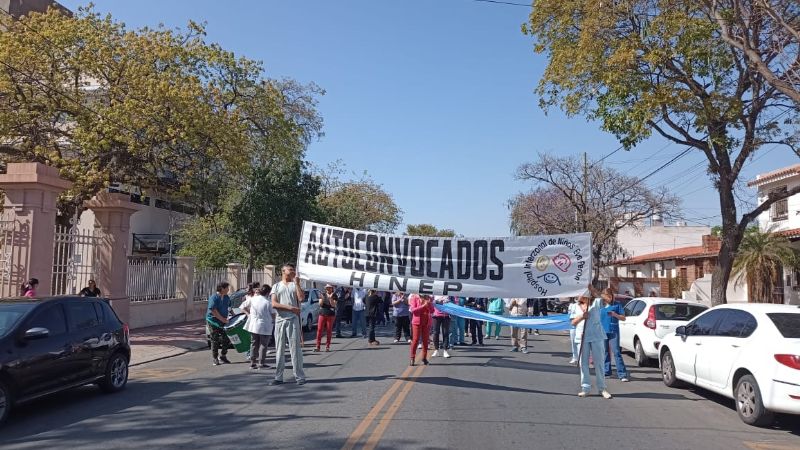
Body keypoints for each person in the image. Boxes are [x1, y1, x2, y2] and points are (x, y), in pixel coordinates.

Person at [270, 263, 306, 386]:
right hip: (280, 320)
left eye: (293, 270)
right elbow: (274, 304)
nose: (292, 271)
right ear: (283, 271)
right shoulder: (276, 286)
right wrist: (290, 308)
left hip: (293, 320)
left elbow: (301, 298)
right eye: (289, 269)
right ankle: (278, 377)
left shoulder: (295, 285)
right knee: (279, 349)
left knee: (295, 349)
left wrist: (297, 283)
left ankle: (299, 377)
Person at [572, 286, 612, 399]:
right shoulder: (575, 306)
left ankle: (602, 388)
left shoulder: (596, 303)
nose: (580, 295)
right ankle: (585, 388)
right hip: (582, 337)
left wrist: (593, 289)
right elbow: (573, 322)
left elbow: (607, 299)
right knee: (583, 364)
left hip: (596, 336)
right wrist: (582, 316)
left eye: (582, 293)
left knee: (599, 363)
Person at [241, 284, 274, 370]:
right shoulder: (268, 302)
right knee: (263, 345)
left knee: (254, 344)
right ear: (268, 292)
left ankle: (252, 363)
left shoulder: (253, 299)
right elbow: (273, 314)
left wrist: (248, 314)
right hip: (264, 326)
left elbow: (242, 307)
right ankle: (261, 364)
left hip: (253, 325)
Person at [601, 288, 630, 382]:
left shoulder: (617, 304)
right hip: (602, 331)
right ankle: (607, 371)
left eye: (610, 296)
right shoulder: (600, 305)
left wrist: (615, 315)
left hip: (613, 331)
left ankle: (622, 374)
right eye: (607, 296)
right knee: (605, 352)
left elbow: (623, 318)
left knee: (616, 352)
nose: (609, 298)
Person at [207, 282, 232, 366]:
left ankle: (223, 355)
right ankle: (215, 358)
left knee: (226, 338)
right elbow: (213, 310)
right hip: (213, 321)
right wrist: (223, 319)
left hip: (223, 321)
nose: (228, 289)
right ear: (222, 288)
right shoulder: (214, 298)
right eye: (227, 288)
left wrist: (233, 316)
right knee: (215, 339)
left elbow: (229, 307)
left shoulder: (226, 297)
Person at [409, 293, 433, 366]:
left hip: (426, 322)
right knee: (415, 340)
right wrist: (423, 306)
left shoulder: (428, 298)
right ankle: (412, 358)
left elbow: (432, 310)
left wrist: (429, 304)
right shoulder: (414, 298)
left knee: (425, 341)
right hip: (417, 322)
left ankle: (424, 358)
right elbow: (413, 310)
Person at [316, 284, 337, 352]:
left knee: (329, 330)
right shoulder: (322, 294)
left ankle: (327, 346)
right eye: (327, 288)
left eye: (329, 288)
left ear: (332, 288)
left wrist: (330, 298)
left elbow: (333, 305)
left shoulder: (334, 295)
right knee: (319, 330)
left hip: (330, 314)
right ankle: (318, 346)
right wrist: (322, 299)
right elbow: (320, 304)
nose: (328, 289)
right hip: (322, 314)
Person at [567, 298, 580, 365]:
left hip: (581, 326)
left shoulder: (585, 305)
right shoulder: (572, 305)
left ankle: (580, 358)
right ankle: (575, 357)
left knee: (581, 343)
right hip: (573, 326)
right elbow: (569, 315)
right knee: (573, 342)